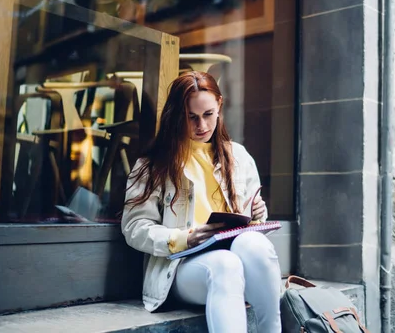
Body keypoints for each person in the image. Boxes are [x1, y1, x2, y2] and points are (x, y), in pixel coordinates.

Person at [121, 71, 282, 333]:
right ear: (177, 115)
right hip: (181, 267)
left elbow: (250, 221)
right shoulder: (153, 164)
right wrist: (183, 237)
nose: (202, 126)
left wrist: (256, 215)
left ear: (219, 105)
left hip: (235, 255)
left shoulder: (239, 157)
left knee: (255, 244)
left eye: (208, 114)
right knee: (225, 265)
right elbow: (134, 227)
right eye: (191, 117)